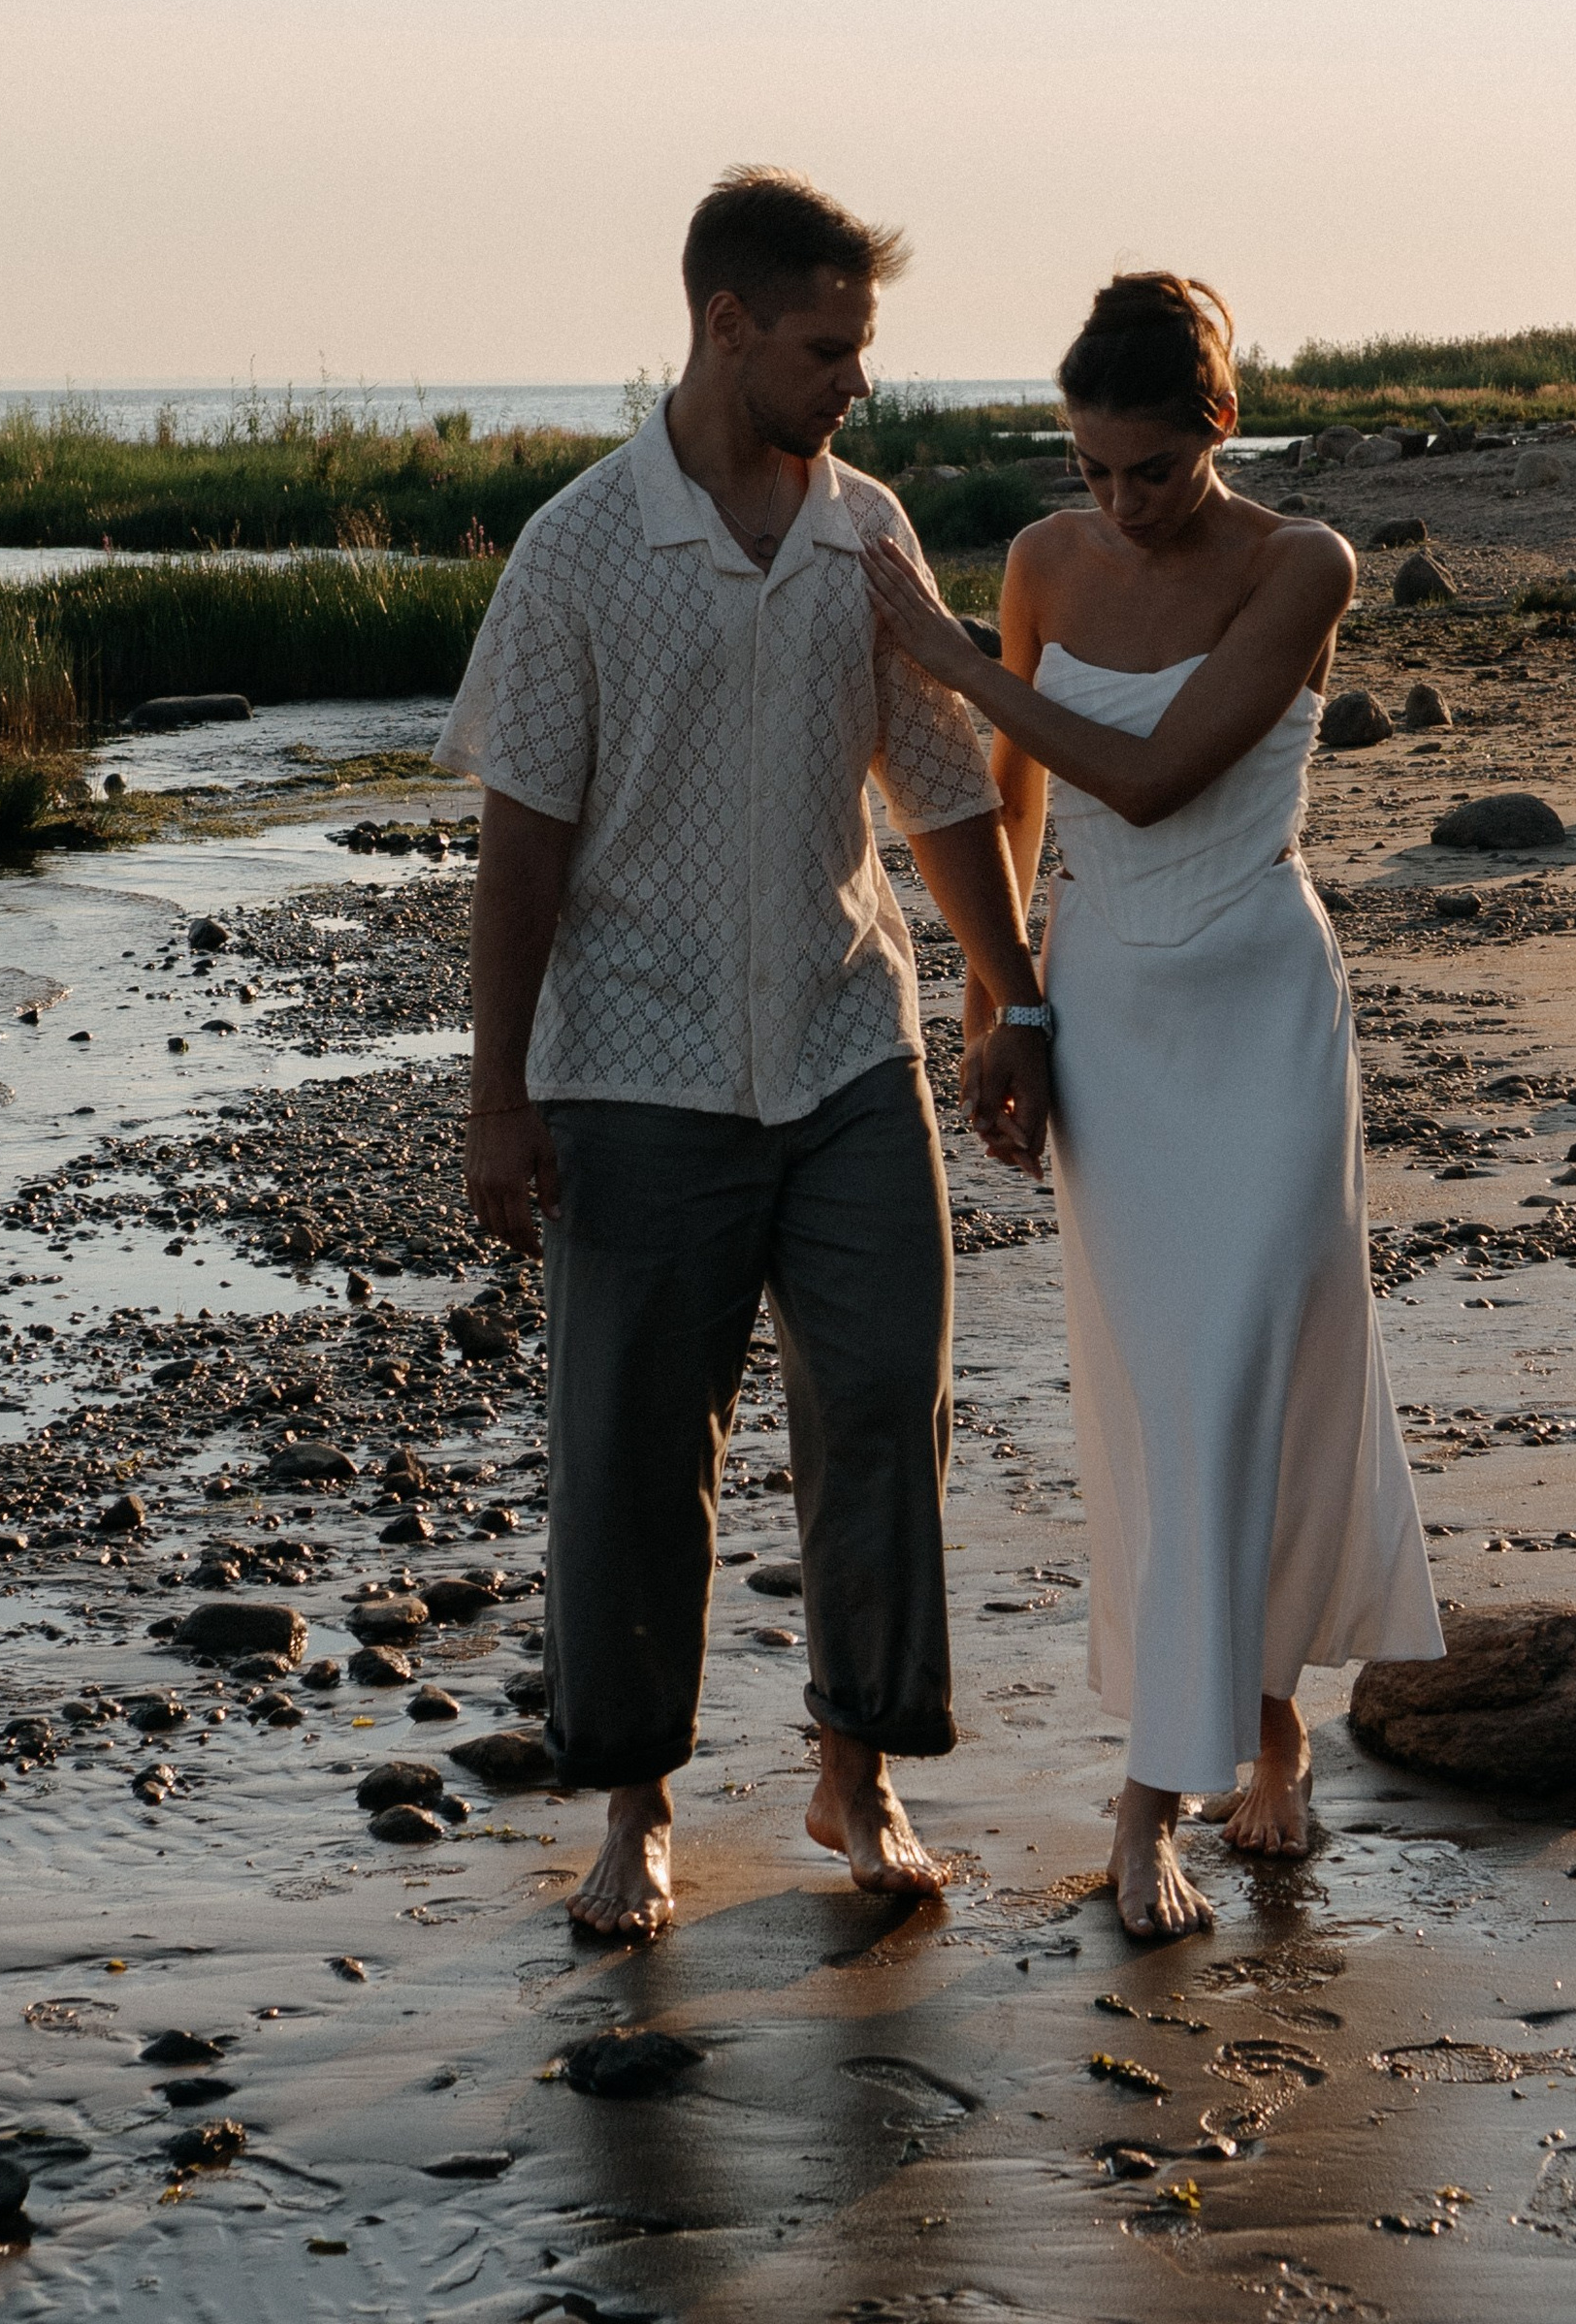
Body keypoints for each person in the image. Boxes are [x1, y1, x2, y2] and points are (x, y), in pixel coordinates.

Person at [435, 166, 1054, 1942]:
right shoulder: (575, 554)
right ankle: (633, 1809)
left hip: (847, 1049)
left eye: (861, 344)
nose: (854, 379)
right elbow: (524, 845)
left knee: (885, 1406)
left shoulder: (869, 532)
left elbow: (940, 792)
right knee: (636, 1447)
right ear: (725, 326)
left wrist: (1013, 1000)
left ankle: (858, 1769)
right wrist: (498, 1095)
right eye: (826, 346)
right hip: (633, 1067)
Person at [857, 270, 1443, 1940]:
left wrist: (948, 661)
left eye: (1152, 470)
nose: (1117, 500)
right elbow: (1028, 815)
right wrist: (1003, 1007)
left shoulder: (1299, 564)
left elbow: (1155, 770)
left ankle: (1148, 1804)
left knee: (1249, 1369)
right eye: (1090, 466)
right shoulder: (1043, 563)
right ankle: (1267, 1736)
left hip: (1258, 1012)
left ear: (1220, 427)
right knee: (1163, 1396)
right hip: (1109, 1008)